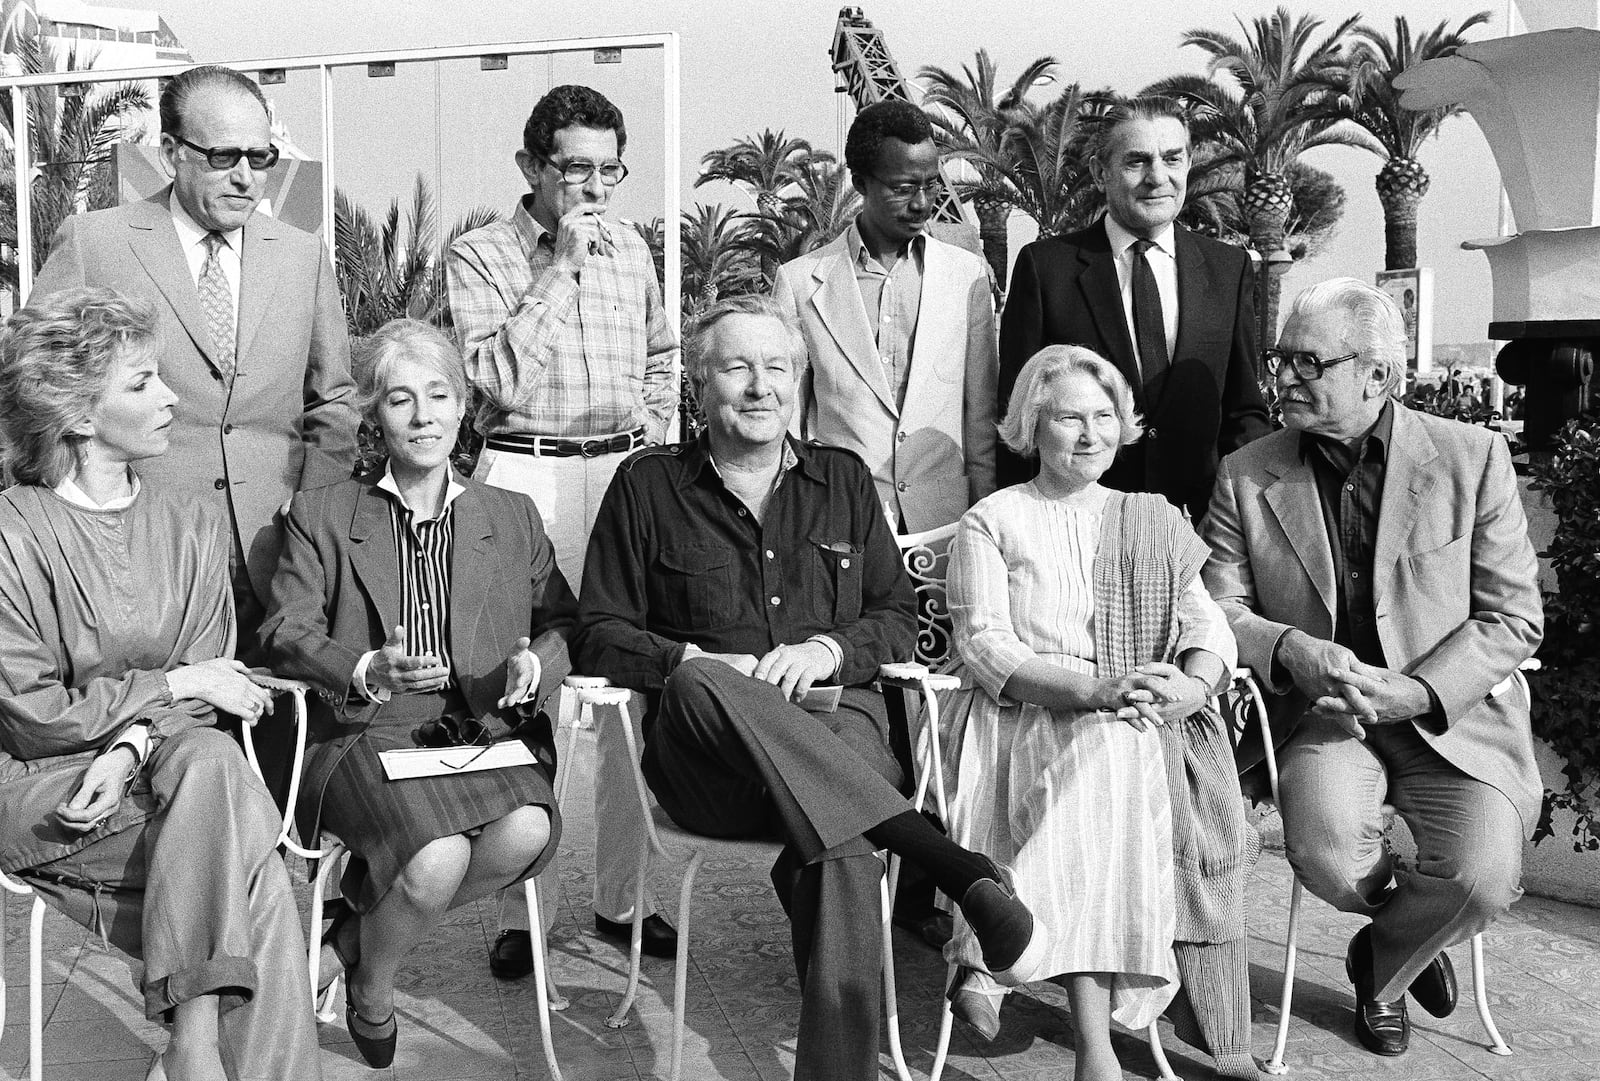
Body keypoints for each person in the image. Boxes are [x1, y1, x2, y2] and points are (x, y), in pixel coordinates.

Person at [575, 293, 1050, 1081]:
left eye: (777, 367)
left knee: (839, 842)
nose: (760, 386)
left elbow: (899, 617)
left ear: (798, 379)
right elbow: (599, 629)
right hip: (712, 765)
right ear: (700, 384)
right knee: (698, 680)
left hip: (840, 730)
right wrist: (700, 662)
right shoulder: (647, 484)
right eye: (736, 367)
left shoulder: (843, 480)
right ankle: (952, 864)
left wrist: (830, 647)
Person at [1202, 278, 1543, 1058]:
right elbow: (1219, 608)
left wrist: (1420, 689)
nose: (1282, 377)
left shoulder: (1474, 458)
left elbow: (1514, 617)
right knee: (1322, 849)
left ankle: (1379, 963)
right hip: (1322, 718)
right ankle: (1408, 930)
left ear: (1377, 375)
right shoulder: (1245, 472)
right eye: (1279, 358)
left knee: (1484, 876)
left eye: (1306, 362)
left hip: (1447, 721)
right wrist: (1291, 651)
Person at [0, 288, 320, 1081]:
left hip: (167, 773)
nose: (173, 397)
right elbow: (34, 715)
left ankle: (195, 1039)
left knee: (213, 772)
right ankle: (197, 1038)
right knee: (257, 873)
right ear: (76, 415)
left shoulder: (194, 522)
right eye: (142, 383)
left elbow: (209, 694)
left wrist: (133, 743)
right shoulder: (11, 531)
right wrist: (172, 684)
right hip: (46, 786)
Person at [260, 319, 573, 1068]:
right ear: (374, 413)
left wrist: (537, 670)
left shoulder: (511, 514)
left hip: (479, 733)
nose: (424, 415)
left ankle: (346, 939)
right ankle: (377, 985)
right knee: (432, 861)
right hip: (364, 734)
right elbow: (283, 630)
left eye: (439, 395)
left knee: (529, 830)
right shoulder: (325, 514)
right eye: (402, 400)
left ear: (465, 406)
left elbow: (565, 619)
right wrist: (366, 667)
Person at [941, 345, 1256, 1081]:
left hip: (1138, 720)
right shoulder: (994, 520)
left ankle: (989, 954)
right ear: (1031, 425)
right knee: (1106, 759)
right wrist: (1094, 692)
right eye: (1069, 417)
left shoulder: (1151, 519)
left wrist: (1193, 687)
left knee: (1109, 756)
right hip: (1024, 717)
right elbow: (984, 647)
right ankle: (1095, 1050)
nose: (1090, 434)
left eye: (1105, 415)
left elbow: (1207, 628)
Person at [446, 83, 676, 969]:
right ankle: (521, 912)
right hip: (522, 470)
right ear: (532, 167)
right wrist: (556, 271)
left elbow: (660, 356)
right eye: (575, 167)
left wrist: (653, 439)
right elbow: (490, 381)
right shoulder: (480, 255)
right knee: (522, 685)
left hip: (621, 473)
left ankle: (623, 898)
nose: (593, 188)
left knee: (626, 687)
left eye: (608, 169)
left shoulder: (634, 250)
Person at [30, 64, 357, 659]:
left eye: (260, 158)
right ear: (172, 151)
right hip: (134, 555)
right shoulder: (94, 242)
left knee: (283, 732)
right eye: (223, 156)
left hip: (278, 554)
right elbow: (34, 389)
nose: (244, 177)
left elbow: (333, 402)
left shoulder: (302, 255)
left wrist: (313, 513)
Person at [997, 97, 1268, 519]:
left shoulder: (1228, 268)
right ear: (1100, 173)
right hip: (1079, 526)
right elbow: (1017, 417)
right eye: (1137, 161)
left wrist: (1250, 520)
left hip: (1200, 528)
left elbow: (1245, 410)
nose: (1157, 177)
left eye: (1172, 158)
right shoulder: (1046, 269)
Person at [773, 98, 998, 532]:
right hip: (838, 520)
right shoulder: (799, 284)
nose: (921, 203)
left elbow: (981, 420)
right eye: (902, 187)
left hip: (945, 524)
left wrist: (985, 523)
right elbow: (792, 422)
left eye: (931, 185)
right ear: (860, 182)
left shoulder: (967, 277)